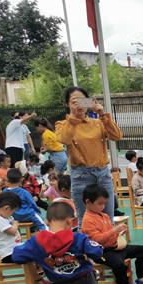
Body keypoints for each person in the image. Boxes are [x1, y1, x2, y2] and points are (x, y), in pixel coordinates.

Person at [12, 201, 117, 284]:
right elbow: (97, 252)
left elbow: (17, 256)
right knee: (92, 275)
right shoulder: (78, 238)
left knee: (65, 280)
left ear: (47, 221)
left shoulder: (36, 242)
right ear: (70, 221)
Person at [55, 86, 123, 224]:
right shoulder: (63, 124)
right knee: (84, 221)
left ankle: (107, 245)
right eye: (74, 101)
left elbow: (117, 136)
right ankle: (88, 245)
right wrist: (73, 117)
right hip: (81, 176)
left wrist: (102, 114)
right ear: (67, 104)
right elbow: (65, 139)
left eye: (82, 101)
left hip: (103, 174)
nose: (79, 105)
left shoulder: (98, 123)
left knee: (107, 219)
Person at [80, 184, 143, 284]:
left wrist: (118, 232)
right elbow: (97, 240)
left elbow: (109, 233)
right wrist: (114, 231)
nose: (103, 206)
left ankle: (141, 278)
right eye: (100, 203)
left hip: (115, 247)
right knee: (118, 264)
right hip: (102, 252)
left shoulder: (104, 216)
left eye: (104, 203)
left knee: (142, 250)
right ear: (88, 202)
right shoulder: (87, 220)